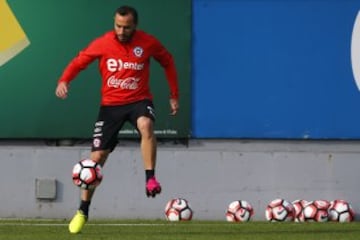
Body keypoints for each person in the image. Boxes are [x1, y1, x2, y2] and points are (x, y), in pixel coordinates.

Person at [55, 5, 179, 234]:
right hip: (110, 107)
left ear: (135, 26)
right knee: (96, 158)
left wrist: (173, 95)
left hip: (139, 100)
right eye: (118, 26)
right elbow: (80, 61)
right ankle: (83, 210)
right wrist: (64, 80)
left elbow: (168, 61)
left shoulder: (148, 42)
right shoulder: (103, 43)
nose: (121, 31)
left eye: (126, 27)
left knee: (146, 125)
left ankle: (150, 178)